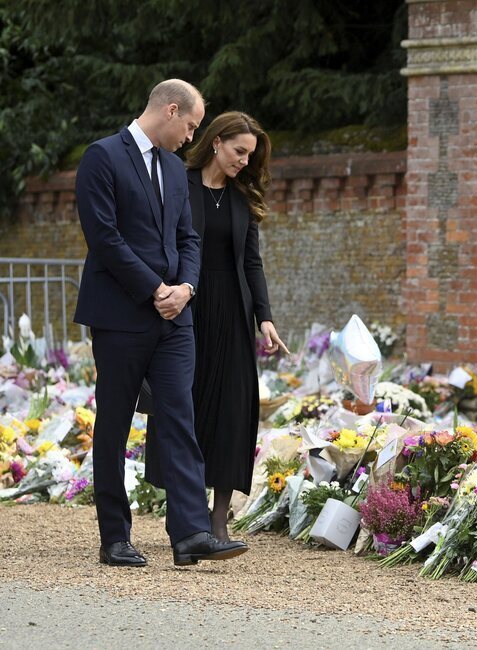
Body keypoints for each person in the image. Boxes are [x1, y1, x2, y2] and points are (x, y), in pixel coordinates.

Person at [74, 79, 248, 567]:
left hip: (176, 317)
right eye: (190, 126)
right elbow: (104, 239)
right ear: (171, 111)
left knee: (179, 418)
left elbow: (189, 238)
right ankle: (115, 537)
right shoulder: (102, 157)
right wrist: (155, 290)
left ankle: (190, 533)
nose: (191, 137)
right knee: (114, 423)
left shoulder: (174, 168)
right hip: (120, 315)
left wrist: (186, 289)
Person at [144, 112, 289, 541]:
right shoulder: (177, 183)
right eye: (239, 151)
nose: (245, 161)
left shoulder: (243, 197)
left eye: (250, 155)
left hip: (233, 317)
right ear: (215, 142)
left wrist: (264, 317)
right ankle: (182, 516)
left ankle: (218, 519)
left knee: (231, 411)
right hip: (184, 313)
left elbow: (251, 261)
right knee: (182, 409)